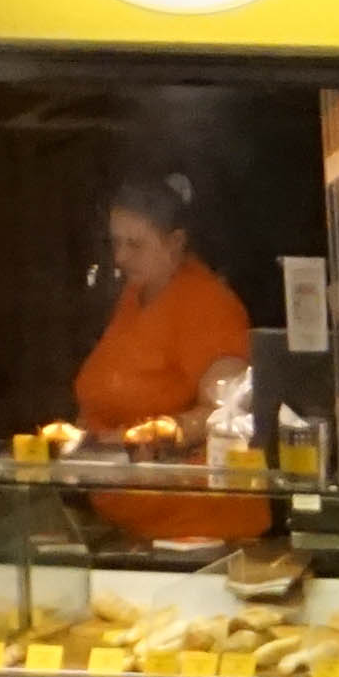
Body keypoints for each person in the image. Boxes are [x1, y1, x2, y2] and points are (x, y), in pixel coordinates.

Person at [72, 170, 265, 541]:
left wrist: (144, 437)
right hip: (130, 524)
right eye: (116, 243)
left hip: (197, 529)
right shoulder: (134, 295)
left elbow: (227, 413)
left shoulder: (208, 305)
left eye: (135, 244)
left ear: (175, 242)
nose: (120, 257)